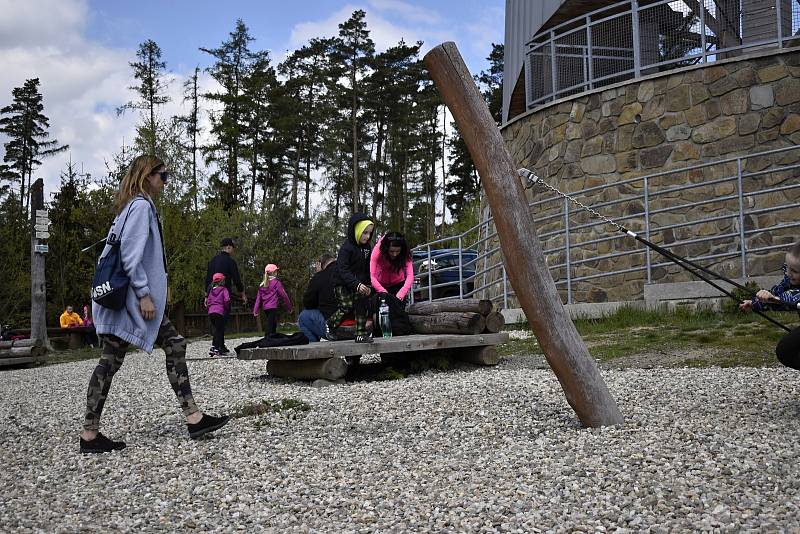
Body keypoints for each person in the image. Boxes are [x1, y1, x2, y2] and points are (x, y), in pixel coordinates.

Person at [79, 154, 229, 454]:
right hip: (132, 302)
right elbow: (130, 256)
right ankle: (192, 417)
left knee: (113, 360)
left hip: (124, 301)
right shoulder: (139, 206)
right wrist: (145, 294)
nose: (166, 181)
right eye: (164, 176)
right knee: (169, 345)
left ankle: (91, 433)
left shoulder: (128, 208)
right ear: (148, 176)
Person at [740, 242, 800, 370]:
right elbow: (778, 293)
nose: (789, 273)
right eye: (787, 268)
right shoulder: (790, 277)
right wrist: (757, 302)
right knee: (786, 350)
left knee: (787, 349)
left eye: (794, 271)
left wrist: (775, 299)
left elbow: (794, 297)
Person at [327, 212, 375, 343]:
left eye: (370, 233)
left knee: (361, 304)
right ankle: (330, 325)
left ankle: (360, 334)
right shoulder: (346, 248)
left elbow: (367, 268)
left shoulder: (367, 248)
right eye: (365, 233)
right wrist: (356, 284)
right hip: (342, 282)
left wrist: (368, 284)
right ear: (356, 230)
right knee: (346, 306)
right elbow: (343, 270)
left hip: (359, 282)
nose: (367, 236)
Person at [298, 254, 337, 342]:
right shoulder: (348, 272)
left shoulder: (320, 276)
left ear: (320, 264)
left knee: (303, 317)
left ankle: (315, 349)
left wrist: (318, 275)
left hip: (334, 328)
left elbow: (308, 303)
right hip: (357, 327)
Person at [370, 231, 414, 303]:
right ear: (386, 248)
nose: (395, 254)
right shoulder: (377, 251)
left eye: (398, 251)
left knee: (398, 311)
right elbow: (371, 276)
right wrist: (383, 292)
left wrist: (401, 293)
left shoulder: (404, 252)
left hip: (398, 284)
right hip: (380, 284)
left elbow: (410, 275)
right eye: (391, 251)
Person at [253, 264, 293, 336]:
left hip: (265, 308)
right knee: (270, 324)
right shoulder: (276, 283)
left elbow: (258, 299)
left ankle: (273, 338)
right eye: (276, 271)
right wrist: (289, 307)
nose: (277, 273)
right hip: (273, 307)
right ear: (274, 272)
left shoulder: (262, 285)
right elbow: (284, 296)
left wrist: (255, 310)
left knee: (273, 323)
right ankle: (267, 337)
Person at [205, 272, 231, 356]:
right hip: (219, 312)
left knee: (216, 330)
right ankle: (216, 348)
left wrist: (209, 309)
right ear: (222, 281)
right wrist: (226, 308)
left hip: (211, 312)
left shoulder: (211, 291)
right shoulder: (224, 290)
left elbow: (208, 301)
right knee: (220, 330)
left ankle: (213, 346)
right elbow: (227, 300)